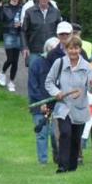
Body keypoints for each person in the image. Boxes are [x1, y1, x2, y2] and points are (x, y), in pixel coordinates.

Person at [45, 36, 92, 174]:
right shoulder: (59, 63)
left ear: (80, 49)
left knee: (75, 138)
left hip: (80, 108)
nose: (73, 51)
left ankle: (72, 165)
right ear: (66, 49)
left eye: (76, 48)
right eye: (70, 48)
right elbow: (49, 82)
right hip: (63, 107)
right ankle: (62, 165)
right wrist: (57, 92)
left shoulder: (87, 66)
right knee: (65, 133)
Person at [28, 37, 59, 165]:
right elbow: (33, 86)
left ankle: (58, 158)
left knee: (54, 133)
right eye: (52, 49)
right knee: (42, 133)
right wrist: (42, 103)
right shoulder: (36, 63)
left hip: (57, 104)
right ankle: (43, 161)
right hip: (39, 104)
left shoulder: (61, 63)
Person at [22, 0, 61, 67]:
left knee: (51, 75)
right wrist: (25, 47)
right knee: (34, 74)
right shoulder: (29, 12)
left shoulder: (56, 12)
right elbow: (23, 31)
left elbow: (60, 31)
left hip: (51, 50)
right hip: (34, 50)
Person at [0, 0, 25, 92]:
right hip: (8, 34)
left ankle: (11, 82)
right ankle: (2, 73)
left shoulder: (23, 8)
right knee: (10, 59)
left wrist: (21, 24)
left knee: (15, 61)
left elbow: (26, 22)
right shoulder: (5, 6)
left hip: (18, 35)